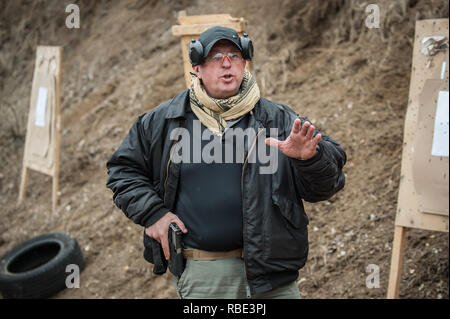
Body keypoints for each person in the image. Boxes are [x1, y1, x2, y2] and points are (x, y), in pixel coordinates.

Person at [106, 26, 346, 299]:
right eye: (215, 57)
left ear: (245, 63)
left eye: (233, 55)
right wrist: (153, 214)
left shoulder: (277, 119)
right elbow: (122, 170)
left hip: (273, 274)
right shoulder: (165, 121)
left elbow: (327, 185)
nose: (226, 63)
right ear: (196, 67)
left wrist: (310, 159)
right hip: (205, 274)